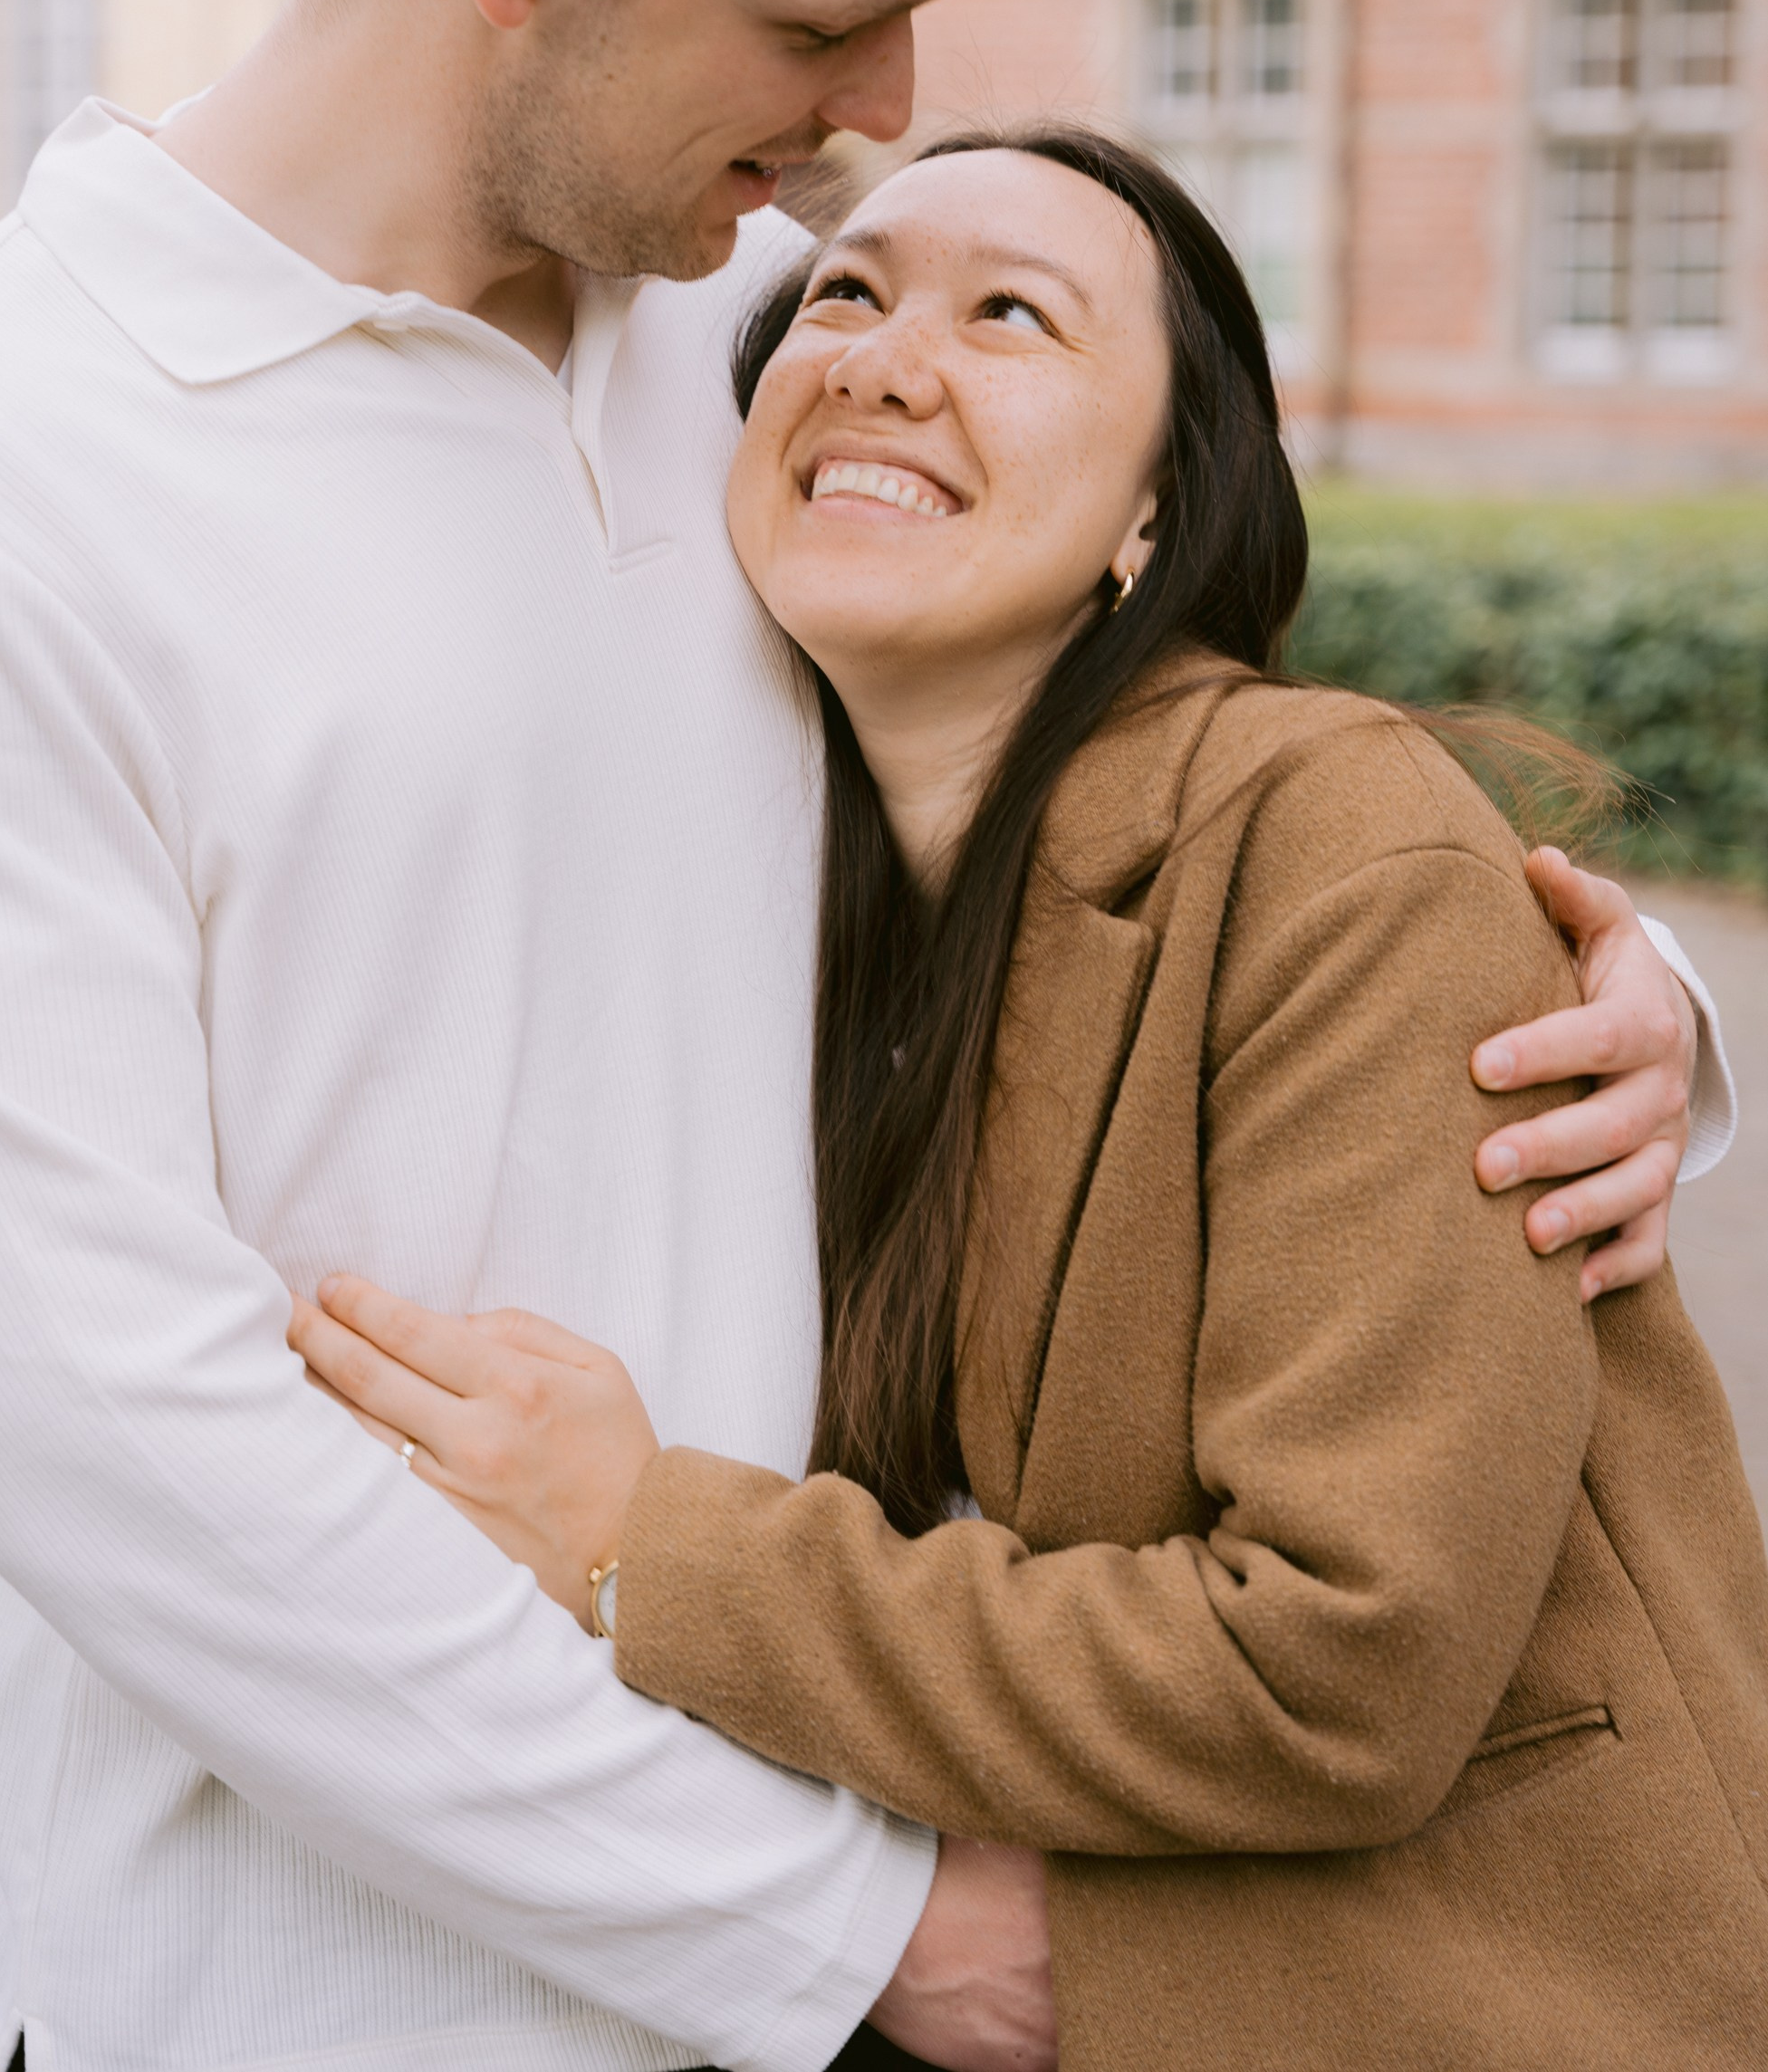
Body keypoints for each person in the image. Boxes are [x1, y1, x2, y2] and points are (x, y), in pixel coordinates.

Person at [0, 0, 1725, 2068]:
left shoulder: (756, 363)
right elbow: (137, 1461)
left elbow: (1174, 735)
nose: (888, 122)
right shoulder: (49, 465)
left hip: (810, 1941)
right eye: (824, 19)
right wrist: (868, 1940)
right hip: (310, 1999)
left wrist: (1628, 1035)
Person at [293, 130, 1768, 2072]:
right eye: (844, 293)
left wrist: (656, 1545)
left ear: (1151, 513)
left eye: (1013, 316)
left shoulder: (1324, 841)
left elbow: (1348, 1659)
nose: (887, 358)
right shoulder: (749, 887)